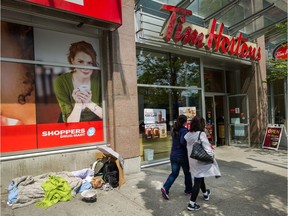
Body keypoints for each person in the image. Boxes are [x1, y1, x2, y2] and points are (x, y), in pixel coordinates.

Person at [53, 41, 102, 123]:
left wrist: (89, 103)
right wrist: (78, 105)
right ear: (72, 60)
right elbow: (70, 123)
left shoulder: (99, 78)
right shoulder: (61, 81)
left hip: (94, 121)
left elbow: (109, 115)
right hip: (71, 121)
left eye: (89, 63)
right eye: (80, 62)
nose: (85, 67)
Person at [184, 116, 221, 211]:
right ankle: (191, 204)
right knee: (197, 181)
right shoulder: (201, 134)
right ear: (201, 124)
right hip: (200, 160)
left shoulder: (188, 135)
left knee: (200, 178)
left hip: (192, 161)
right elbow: (208, 149)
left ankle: (205, 194)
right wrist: (212, 156)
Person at [161, 115, 193, 200]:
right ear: (185, 122)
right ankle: (188, 190)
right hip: (182, 156)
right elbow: (183, 142)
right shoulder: (184, 130)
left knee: (174, 173)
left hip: (173, 155)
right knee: (187, 173)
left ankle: (165, 188)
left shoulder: (174, 129)